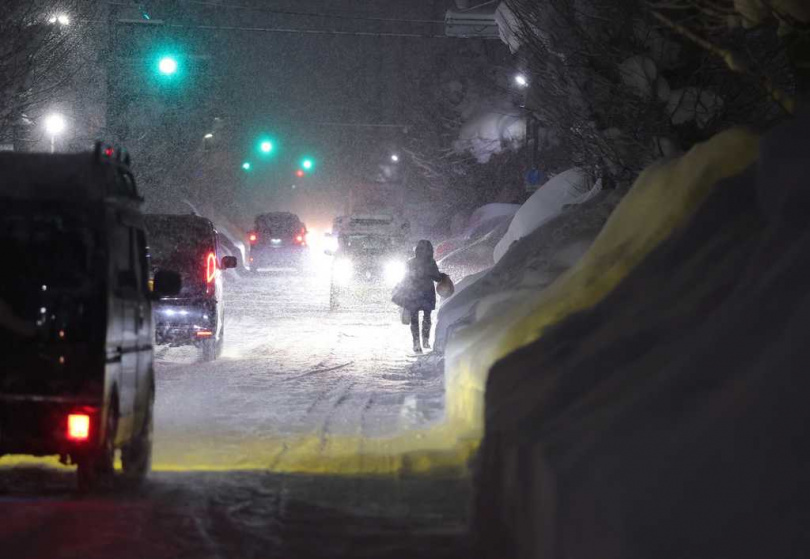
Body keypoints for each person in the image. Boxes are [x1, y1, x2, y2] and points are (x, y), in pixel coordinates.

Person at [400, 240, 447, 354]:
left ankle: (416, 343)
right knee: (427, 317)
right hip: (427, 293)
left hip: (413, 293)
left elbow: (405, 279)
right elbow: (437, 278)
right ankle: (425, 340)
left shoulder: (410, 262)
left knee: (414, 319)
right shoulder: (431, 263)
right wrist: (443, 277)